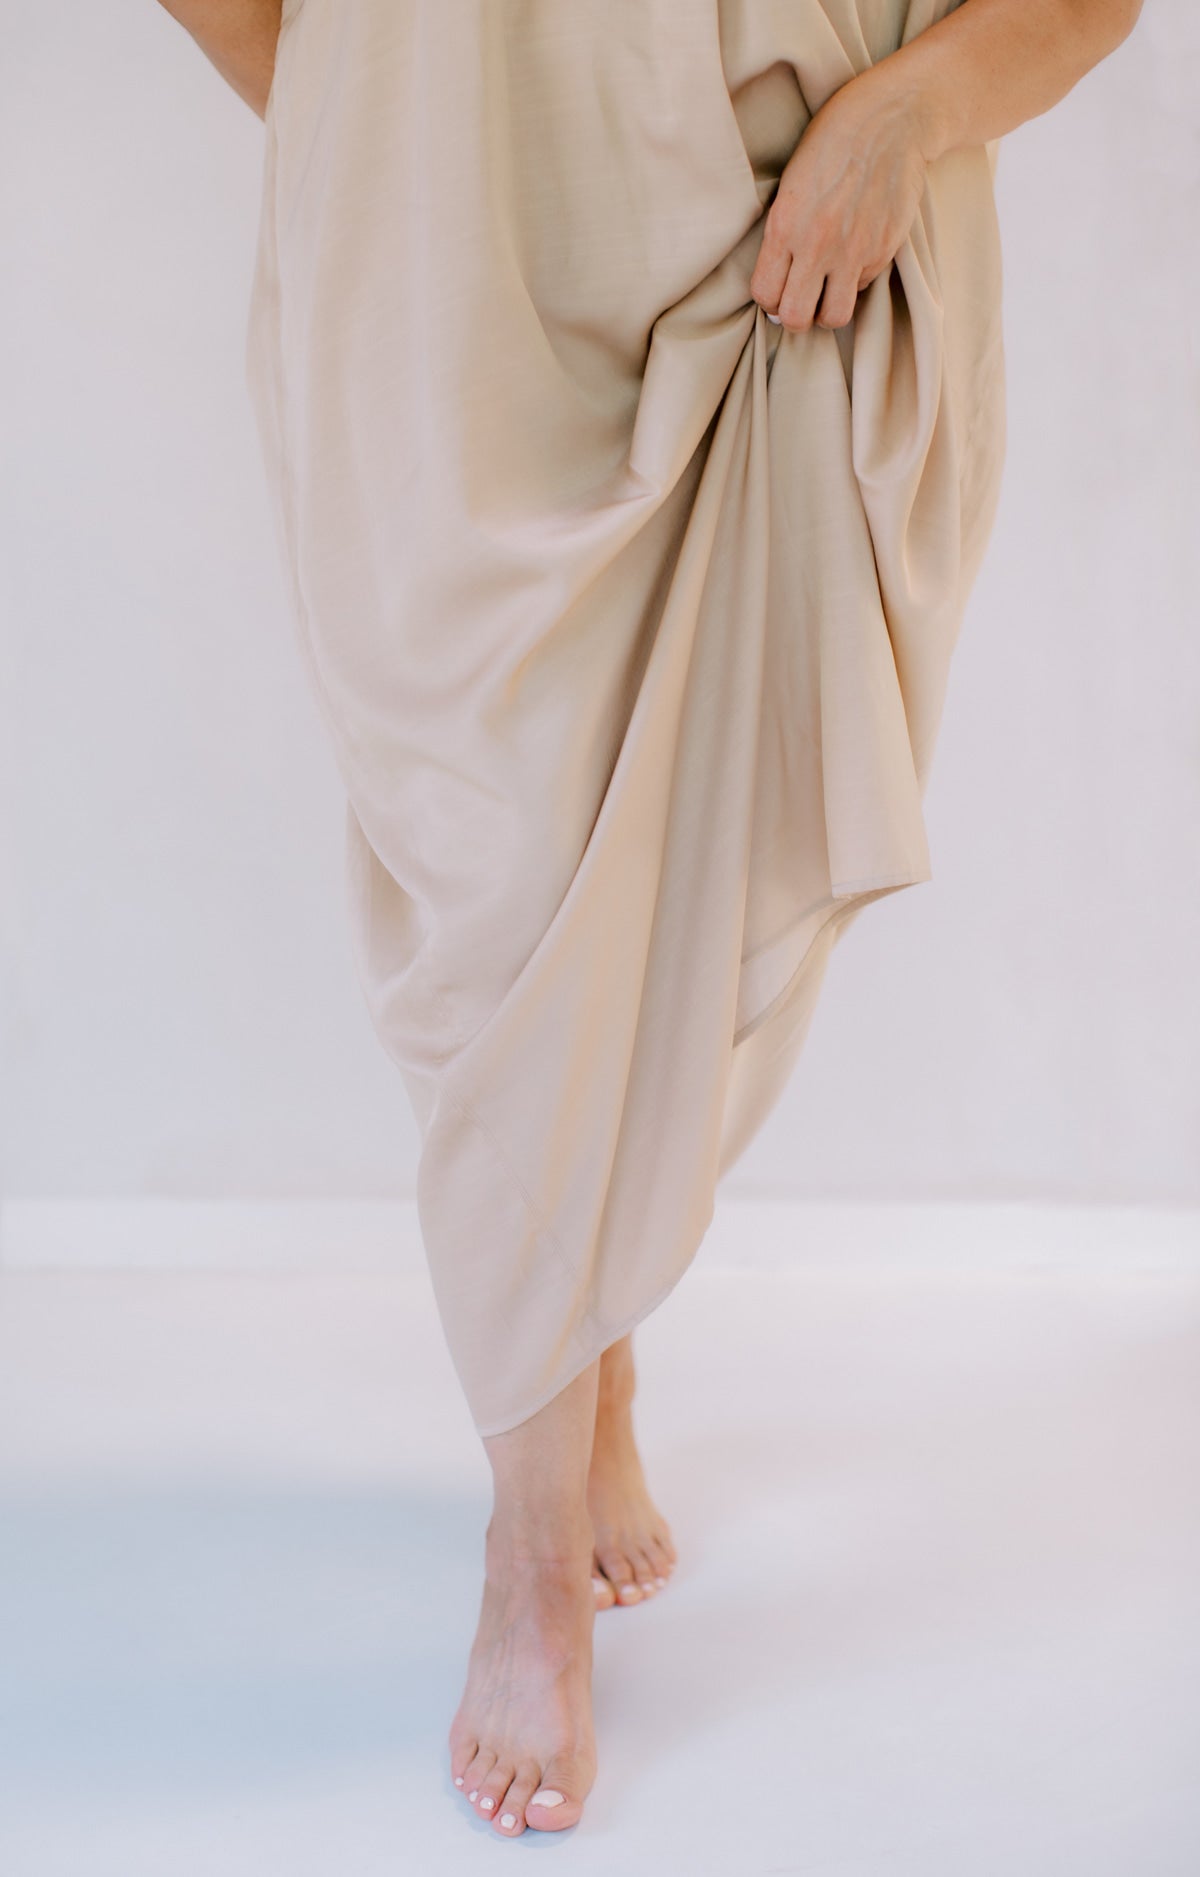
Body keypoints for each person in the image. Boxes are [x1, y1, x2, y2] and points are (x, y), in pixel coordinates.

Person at [157, 0, 1141, 1838]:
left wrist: (910, 114)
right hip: (446, 261)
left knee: (680, 839)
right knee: (503, 884)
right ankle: (535, 1542)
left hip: (774, 229)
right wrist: (389, 118)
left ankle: (589, 1383)